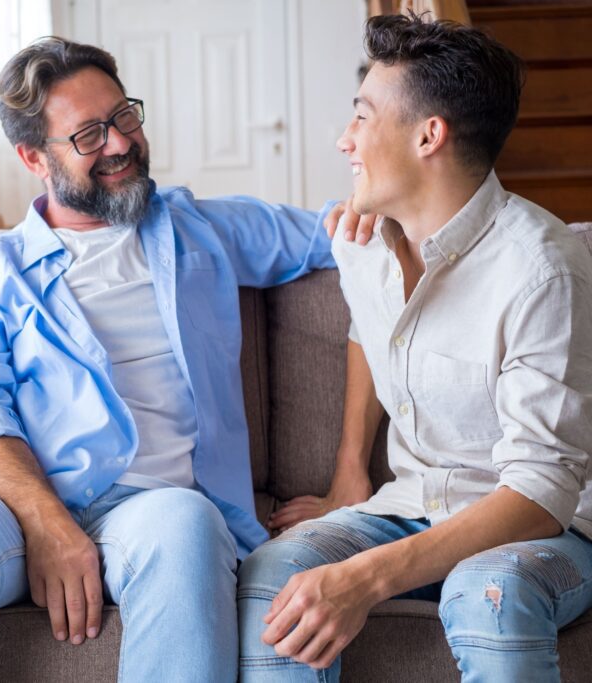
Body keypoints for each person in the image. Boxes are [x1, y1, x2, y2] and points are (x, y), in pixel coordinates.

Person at [0, 36, 353, 681]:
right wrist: (46, 523)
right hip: (9, 507)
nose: (121, 143)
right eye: (89, 135)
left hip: (151, 508)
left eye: (124, 116)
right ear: (32, 157)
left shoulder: (198, 230)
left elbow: (337, 231)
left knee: (188, 524)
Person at [239, 13, 592, 681]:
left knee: (489, 594)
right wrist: (350, 468)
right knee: (270, 578)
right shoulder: (361, 240)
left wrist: (364, 578)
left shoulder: (541, 268)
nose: (345, 141)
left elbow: (542, 491)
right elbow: (368, 333)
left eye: (363, 117)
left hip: (550, 527)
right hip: (409, 505)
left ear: (430, 135)